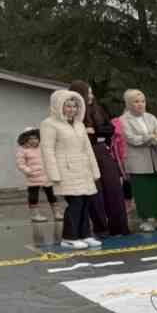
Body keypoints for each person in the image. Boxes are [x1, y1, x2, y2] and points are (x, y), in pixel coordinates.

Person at [40, 89, 102, 250]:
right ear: (58, 106)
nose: (72, 109)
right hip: (65, 170)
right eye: (68, 106)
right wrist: (53, 173)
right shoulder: (49, 124)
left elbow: (87, 149)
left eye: (75, 106)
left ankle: (85, 234)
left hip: (83, 169)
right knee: (75, 203)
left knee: (85, 203)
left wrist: (94, 170)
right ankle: (69, 237)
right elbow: (47, 150)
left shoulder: (79, 124)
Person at [70, 80, 130, 238]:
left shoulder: (98, 109)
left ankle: (119, 227)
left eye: (91, 93)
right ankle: (101, 228)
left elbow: (110, 129)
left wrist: (95, 131)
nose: (91, 96)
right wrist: (91, 132)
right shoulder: (73, 113)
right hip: (84, 154)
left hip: (101, 151)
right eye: (88, 93)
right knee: (95, 192)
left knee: (113, 188)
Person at [117, 89, 157, 232]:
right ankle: (145, 220)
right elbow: (131, 139)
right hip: (137, 161)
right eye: (136, 102)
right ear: (128, 104)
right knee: (142, 192)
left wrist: (156, 138)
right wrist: (151, 137)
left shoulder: (151, 117)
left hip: (154, 159)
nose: (140, 104)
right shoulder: (123, 120)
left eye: (142, 101)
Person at [15, 128, 60, 223]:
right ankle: (35, 215)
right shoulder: (22, 150)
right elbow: (20, 164)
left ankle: (57, 213)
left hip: (46, 175)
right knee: (33, 196)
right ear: (25, 139)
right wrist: (29, 171)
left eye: (35, 138)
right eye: (30, 138)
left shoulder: (42, 148)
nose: (33, 140)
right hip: (33, 177)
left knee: (52, 195)